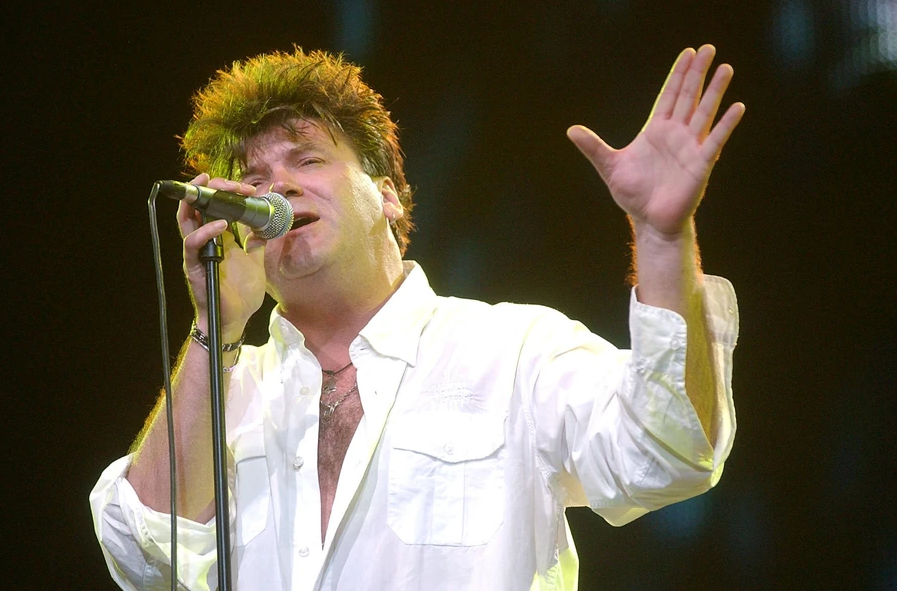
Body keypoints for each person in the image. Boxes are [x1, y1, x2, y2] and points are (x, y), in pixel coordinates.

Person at [90, 45, 744, 590]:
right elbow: (142, 556)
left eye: (307, 159)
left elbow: (666, 452)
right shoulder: (226, 394)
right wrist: (217, 326)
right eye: (253, 180)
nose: (277, 188)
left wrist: (662, 239)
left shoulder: (514, 351)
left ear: (388, 197)